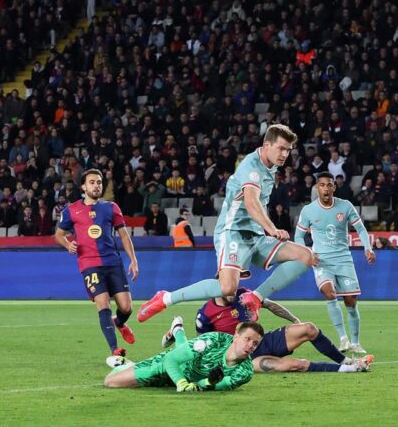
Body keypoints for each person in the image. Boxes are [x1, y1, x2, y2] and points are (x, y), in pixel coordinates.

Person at [138, 124, 315, 323]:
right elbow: (251, 202)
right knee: (227, 288)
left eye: (288, 150)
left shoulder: (270, 167)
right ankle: (166, 298)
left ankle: (255, 298)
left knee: (305, 256)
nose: (284, 154)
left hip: (255, 235)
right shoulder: (252, 167)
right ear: (267, 145)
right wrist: (272, 229)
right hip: (233, 232)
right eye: (281, 148)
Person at [54, 169, 140, 359]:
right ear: (83, 187)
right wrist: (68, 244)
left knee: (126, 308)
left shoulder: (111, 208)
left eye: (99, 182)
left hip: (113, 262)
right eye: (92, 182)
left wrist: (133, 260)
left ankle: (119, 322)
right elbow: (59, 234)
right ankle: (115, 349)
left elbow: (124, 235)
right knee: (103, 303)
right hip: (89, 264)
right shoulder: (71, 210)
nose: (96, 186)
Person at [190, 288, 373, 373]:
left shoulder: (243, 294)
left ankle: (346, 360)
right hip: (244, 357)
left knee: (309, 328)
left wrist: (294, 320)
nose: (232, 292)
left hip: (261, 341)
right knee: (296, 365)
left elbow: (270, 305)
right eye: (228, 288)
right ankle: (351, 368)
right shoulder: (205, 314)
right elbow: (203, 345)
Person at [295, 172, 375, 353]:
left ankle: (355, 342)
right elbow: (298, 236)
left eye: (329, 185)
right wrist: (307, 254)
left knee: (351, 303)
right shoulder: (308, 210)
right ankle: (343, 339)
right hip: (321, 261)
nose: (325, 188)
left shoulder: (345, 206)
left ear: (334, 187)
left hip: (343, 260)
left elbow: (360, 228)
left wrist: (368, 248)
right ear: (317, 187)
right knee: (329, 292)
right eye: (322, 185)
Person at [104, 321, 264, 392]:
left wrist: (209, 382)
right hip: (169, 366)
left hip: (188, 382)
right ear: (236, 336)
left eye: (255, 344)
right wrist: (181, 383)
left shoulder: (245, 372)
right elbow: (171, 359)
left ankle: (177, 330)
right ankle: (125, 365)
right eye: (247, 339)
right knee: (111, 382)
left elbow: (204, 386)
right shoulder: (213, 340)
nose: (250, 345)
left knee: (187, 352)